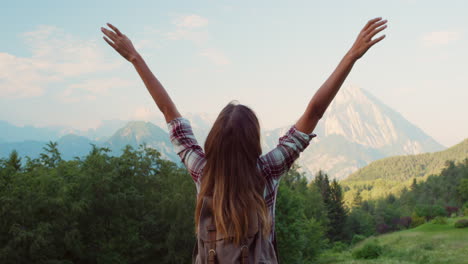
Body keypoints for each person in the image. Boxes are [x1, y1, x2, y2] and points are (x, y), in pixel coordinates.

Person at [101, 17, 387, 263]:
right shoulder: (268, 172)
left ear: (213, 141)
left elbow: (168, 112)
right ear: (253, 143)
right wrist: (351, 55)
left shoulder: (202, 173)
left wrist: (135, 58)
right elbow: (314, 111)